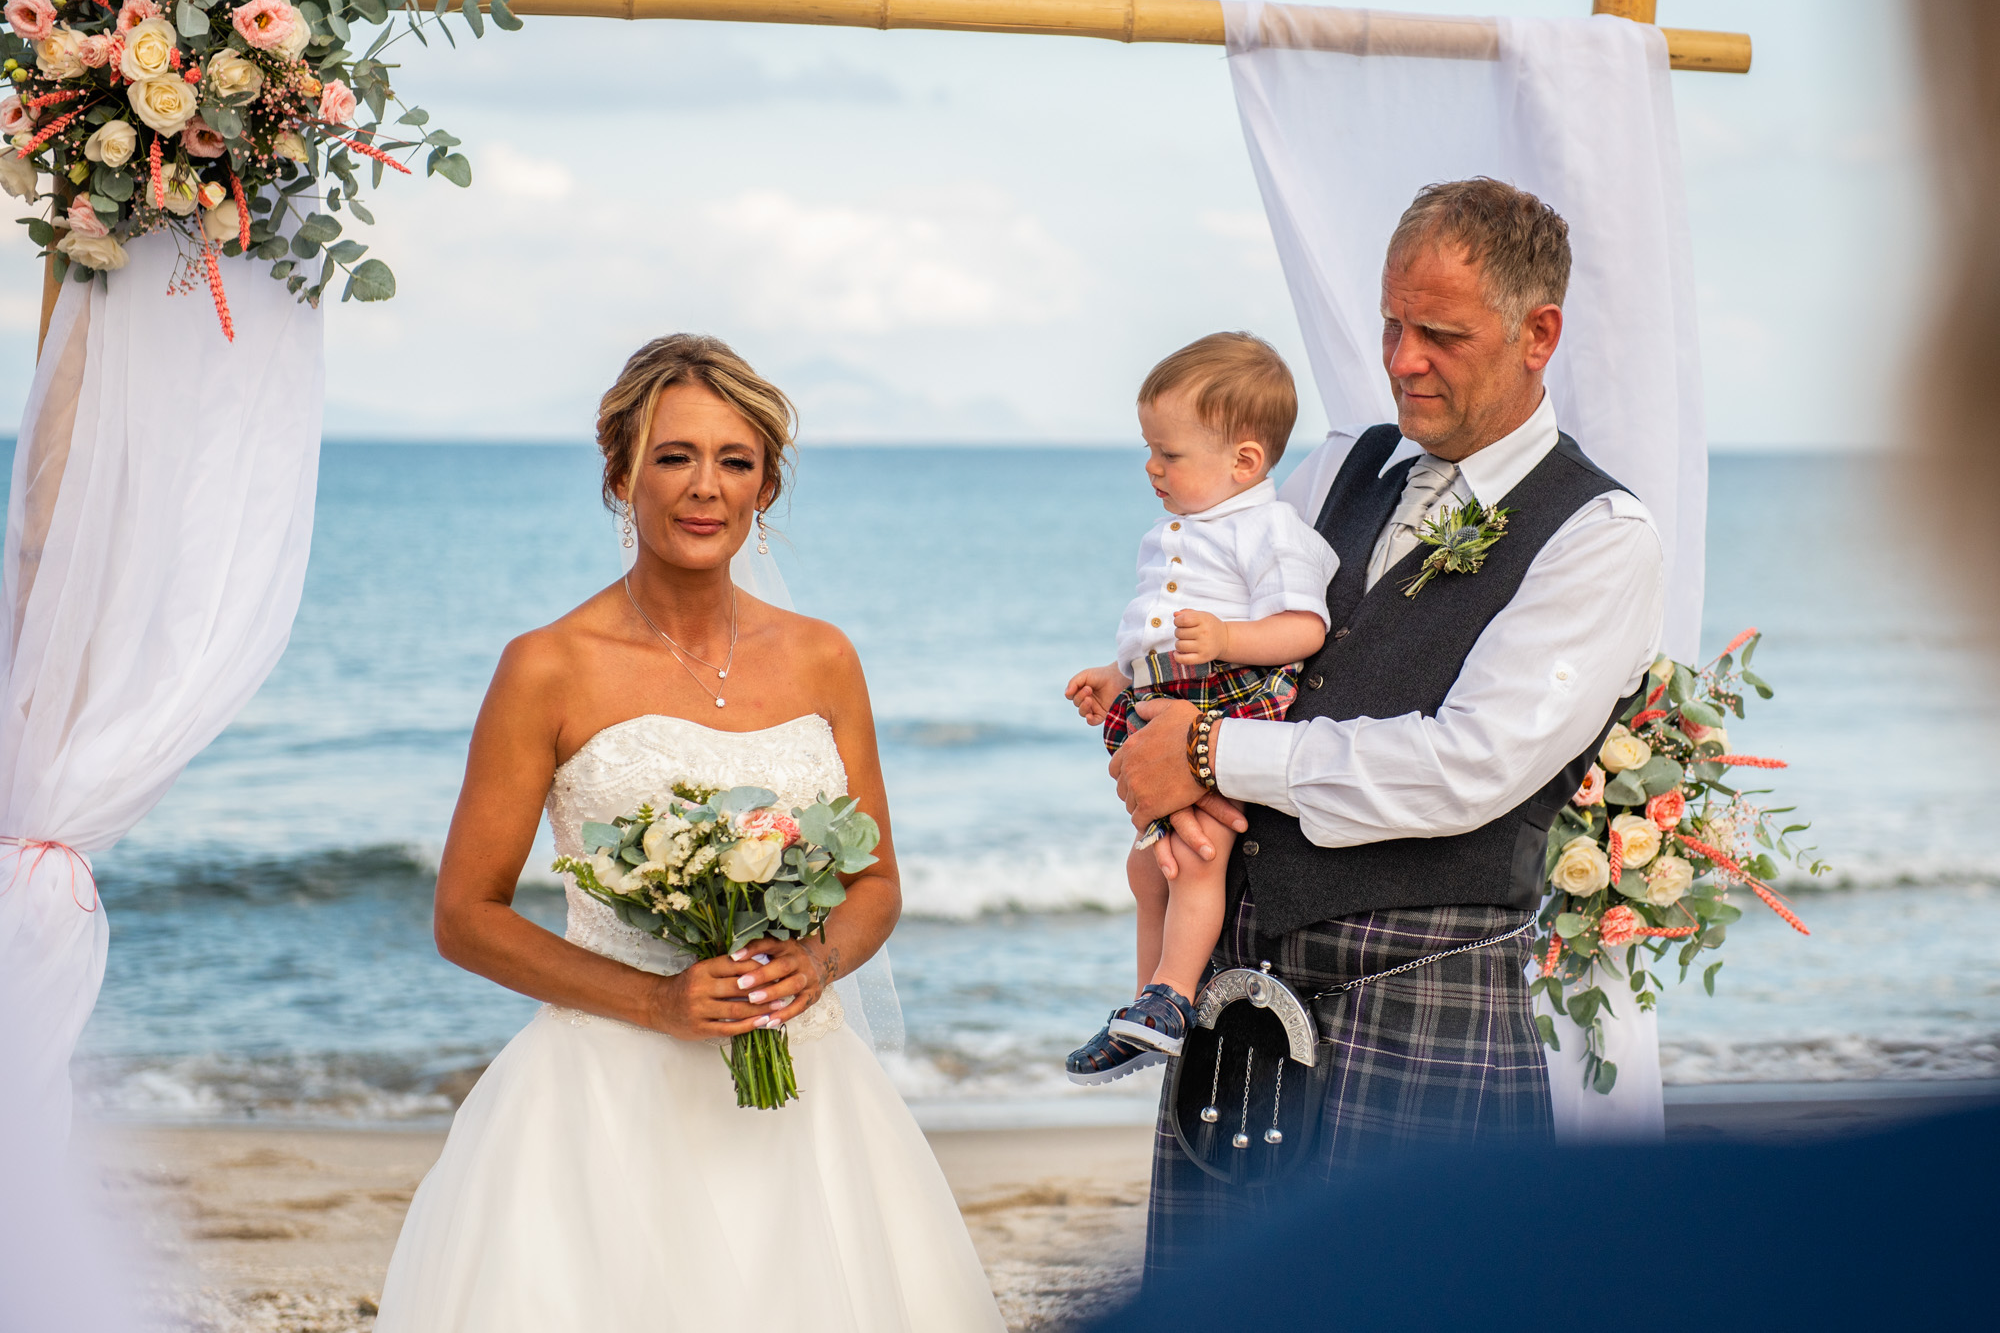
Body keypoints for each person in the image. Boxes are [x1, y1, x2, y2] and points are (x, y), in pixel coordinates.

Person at [372, 335, 1004, 1332]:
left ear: (766, 487)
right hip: (605, 1101)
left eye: (734, 461)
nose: (703, 488)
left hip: (801, 1086)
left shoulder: (823, 658)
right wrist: (656, 1001)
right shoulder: (546, 666)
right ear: (620, 472)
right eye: (673, 457)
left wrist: (819, 958)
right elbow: (464, 915)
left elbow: (875, 881)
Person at [1107, 179, 1666, 1273]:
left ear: (1537, 333)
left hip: (1420, 997)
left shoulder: (1598, 533)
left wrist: (1212, 754)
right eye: (1389, 323)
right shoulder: (1336, 468)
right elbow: (1247, 636)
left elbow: (1467, 766)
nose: (1400, 359)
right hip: (1241, 988)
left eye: (1439, 335)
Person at [1063, 333, 1338, 1085]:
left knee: (1195, 857)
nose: (1152, 467)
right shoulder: (1180, 529)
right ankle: (1144, 1002)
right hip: (1170, 693)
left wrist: (1227, 636)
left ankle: (1171, 998)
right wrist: (1116, 678)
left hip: (1230, 706)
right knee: (1147, 867)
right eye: (1150, 448)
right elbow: (1155, 632)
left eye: (1169, 453)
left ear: (1244, 461)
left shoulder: (1271, 529)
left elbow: (1303, 627)